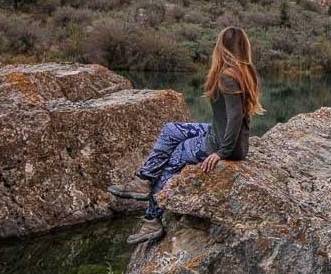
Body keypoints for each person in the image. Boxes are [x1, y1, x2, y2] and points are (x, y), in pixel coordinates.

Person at [108, 26, 265, 244]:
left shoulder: (227, 77)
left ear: (220, 47)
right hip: (221, 134)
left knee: (175, 159)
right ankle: (143, 179)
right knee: (171, 129)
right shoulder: (246, 71)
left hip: (222, 143)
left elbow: (235, 117)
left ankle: (152, 219)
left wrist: (222, 152)